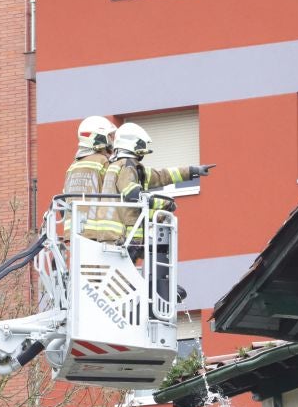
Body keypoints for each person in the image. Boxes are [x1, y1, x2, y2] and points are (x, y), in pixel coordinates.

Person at [102, 122, 214, 305]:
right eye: (141, 146)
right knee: (150, 254)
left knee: (144, 257)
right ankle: (157, 288)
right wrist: (163, 203)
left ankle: (157, 287)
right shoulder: (127, 166)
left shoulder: (126, 166)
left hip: (123, 233)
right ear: (132, 144)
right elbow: (132, 194)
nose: (143, 150)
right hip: (126, 234)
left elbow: (162, 175)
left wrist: (192, 171)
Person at [64, 116, 124, 242]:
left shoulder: (73, 166)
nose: (112, 141)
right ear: (98, 138)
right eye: (109, 137)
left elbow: (65, 199)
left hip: (75, 232)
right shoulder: (102, 161)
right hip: (96, 233)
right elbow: (113, 189)